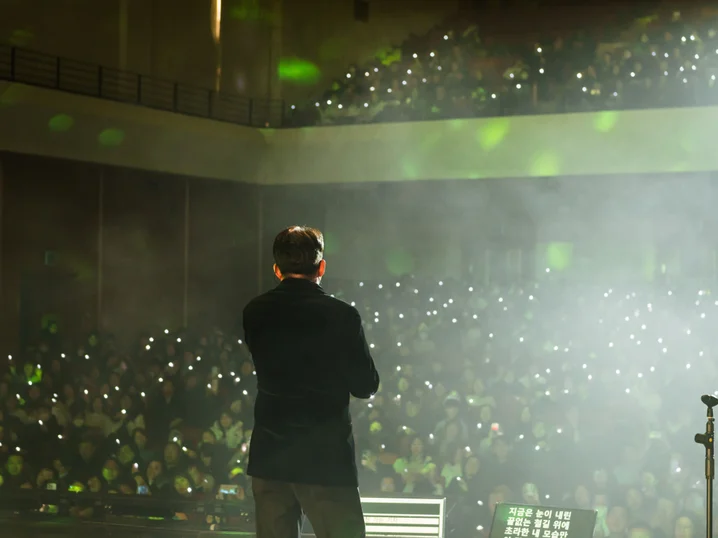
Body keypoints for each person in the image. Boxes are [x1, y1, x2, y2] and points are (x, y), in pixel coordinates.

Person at [243, 225, 380, 538]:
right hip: (325, 460)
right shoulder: (342, 316)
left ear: (277, 269)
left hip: (269, 458)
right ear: (321, 267)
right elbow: (365, 386)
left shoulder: (254, 311)